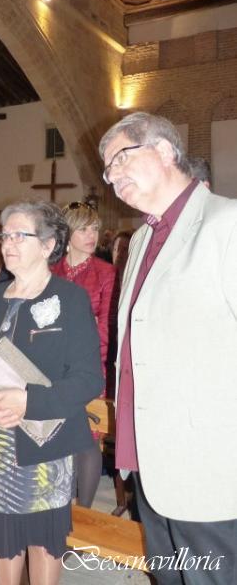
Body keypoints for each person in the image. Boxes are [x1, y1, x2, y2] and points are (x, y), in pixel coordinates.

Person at [99, 111, 237, 584]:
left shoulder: (226, 223)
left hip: (209, 463)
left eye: (120, 158)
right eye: (107, 169)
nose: (113, 175)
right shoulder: (141, 238)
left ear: (163, 150)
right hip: (150, 458)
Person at [0, 200, 104, 585]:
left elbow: (89, 380)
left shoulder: (70, 299)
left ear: (49, 245)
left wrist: (28, 401)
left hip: (45, 443)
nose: (8, 243)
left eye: (21, 235)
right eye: (5, 235)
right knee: (2, 541)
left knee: (43, 541)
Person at [51, 202, 118, 506]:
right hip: (52, 368)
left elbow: (106, 329)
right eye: (84, 229)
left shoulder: (106, 272)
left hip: (91, 367)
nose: (92, 235)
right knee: (57, 436)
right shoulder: (51, 270)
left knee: (87, 440)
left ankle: (85, 512)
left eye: (95, 229)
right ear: (67, 233)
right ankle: (59, 506)